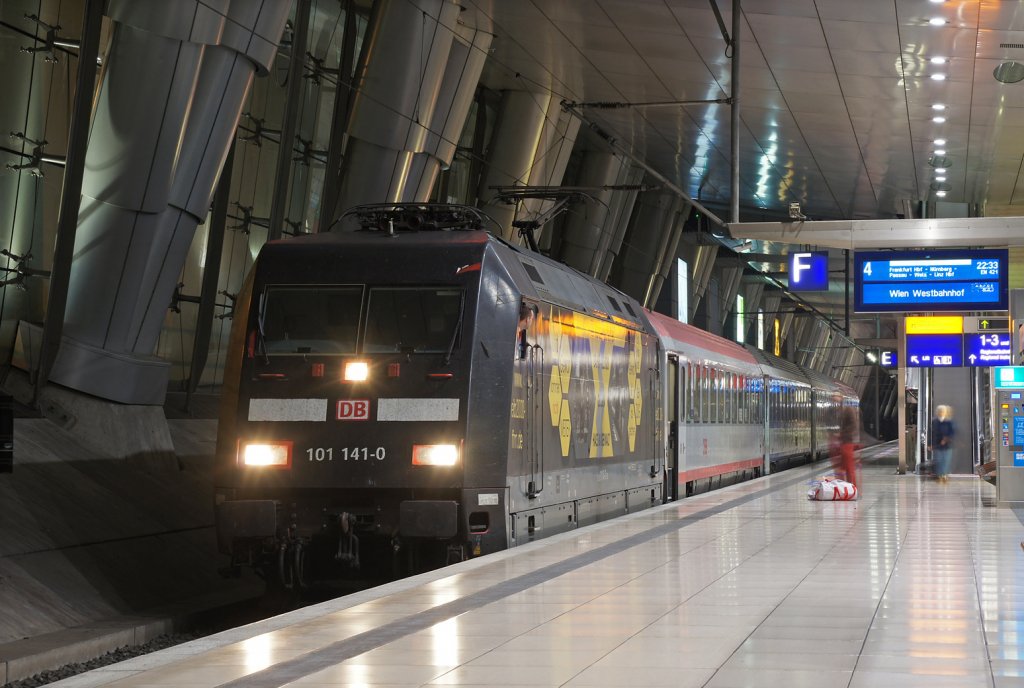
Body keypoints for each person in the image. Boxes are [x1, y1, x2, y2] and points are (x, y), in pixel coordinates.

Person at [930, 405, 955, 483]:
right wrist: (929, 444)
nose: (941, 412)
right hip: (937, 445)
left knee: (946, 460)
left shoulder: (949, 422)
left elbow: (952, 433)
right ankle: (940, 475)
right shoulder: (934, 421)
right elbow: (931, 433)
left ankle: (944, 475)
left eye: (942, 411)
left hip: (947, 445)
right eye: (939, 411)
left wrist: (946, 439)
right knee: (939, 460)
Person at [838, 406, 860, 491]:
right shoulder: (846, 410)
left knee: (848, 467)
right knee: (846, 467)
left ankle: (851, 488)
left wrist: (842, 434)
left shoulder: (848, 410)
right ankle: (848, 487)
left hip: (847, 442)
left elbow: (853, 426)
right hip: (845, 442)